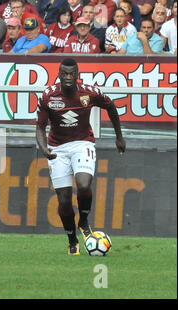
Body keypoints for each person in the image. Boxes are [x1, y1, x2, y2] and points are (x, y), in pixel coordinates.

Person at [36, 57, 126, 256]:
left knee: (84, 184)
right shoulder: (48, 96)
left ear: (78, 75)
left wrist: (119, 137)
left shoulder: (90, 92)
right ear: (59, 75)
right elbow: (40, 127)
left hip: (82, 143)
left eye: (71, 74)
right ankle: (72, 239)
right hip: (57, 148)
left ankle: (84, 221)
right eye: (64, 74)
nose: (68, 77)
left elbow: (111, 107)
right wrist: (44, 148)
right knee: (65, 201)